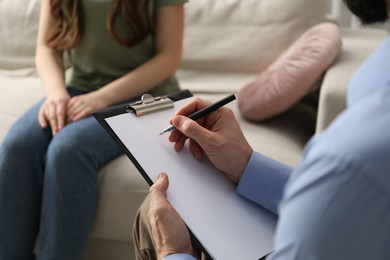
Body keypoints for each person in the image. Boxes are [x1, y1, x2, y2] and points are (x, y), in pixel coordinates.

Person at [132, 0, 390, 259]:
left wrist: (173, 251)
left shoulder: (351, 160)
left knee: (157, 215)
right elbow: (343, 209)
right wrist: (246, 166)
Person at [0, 0, 186, 259]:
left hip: (149, 99)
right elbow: (46, 47)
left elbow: (169, 57)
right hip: (79, 89)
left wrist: (101, 98)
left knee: (68, 150)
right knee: (16, 148)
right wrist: (55, 94)